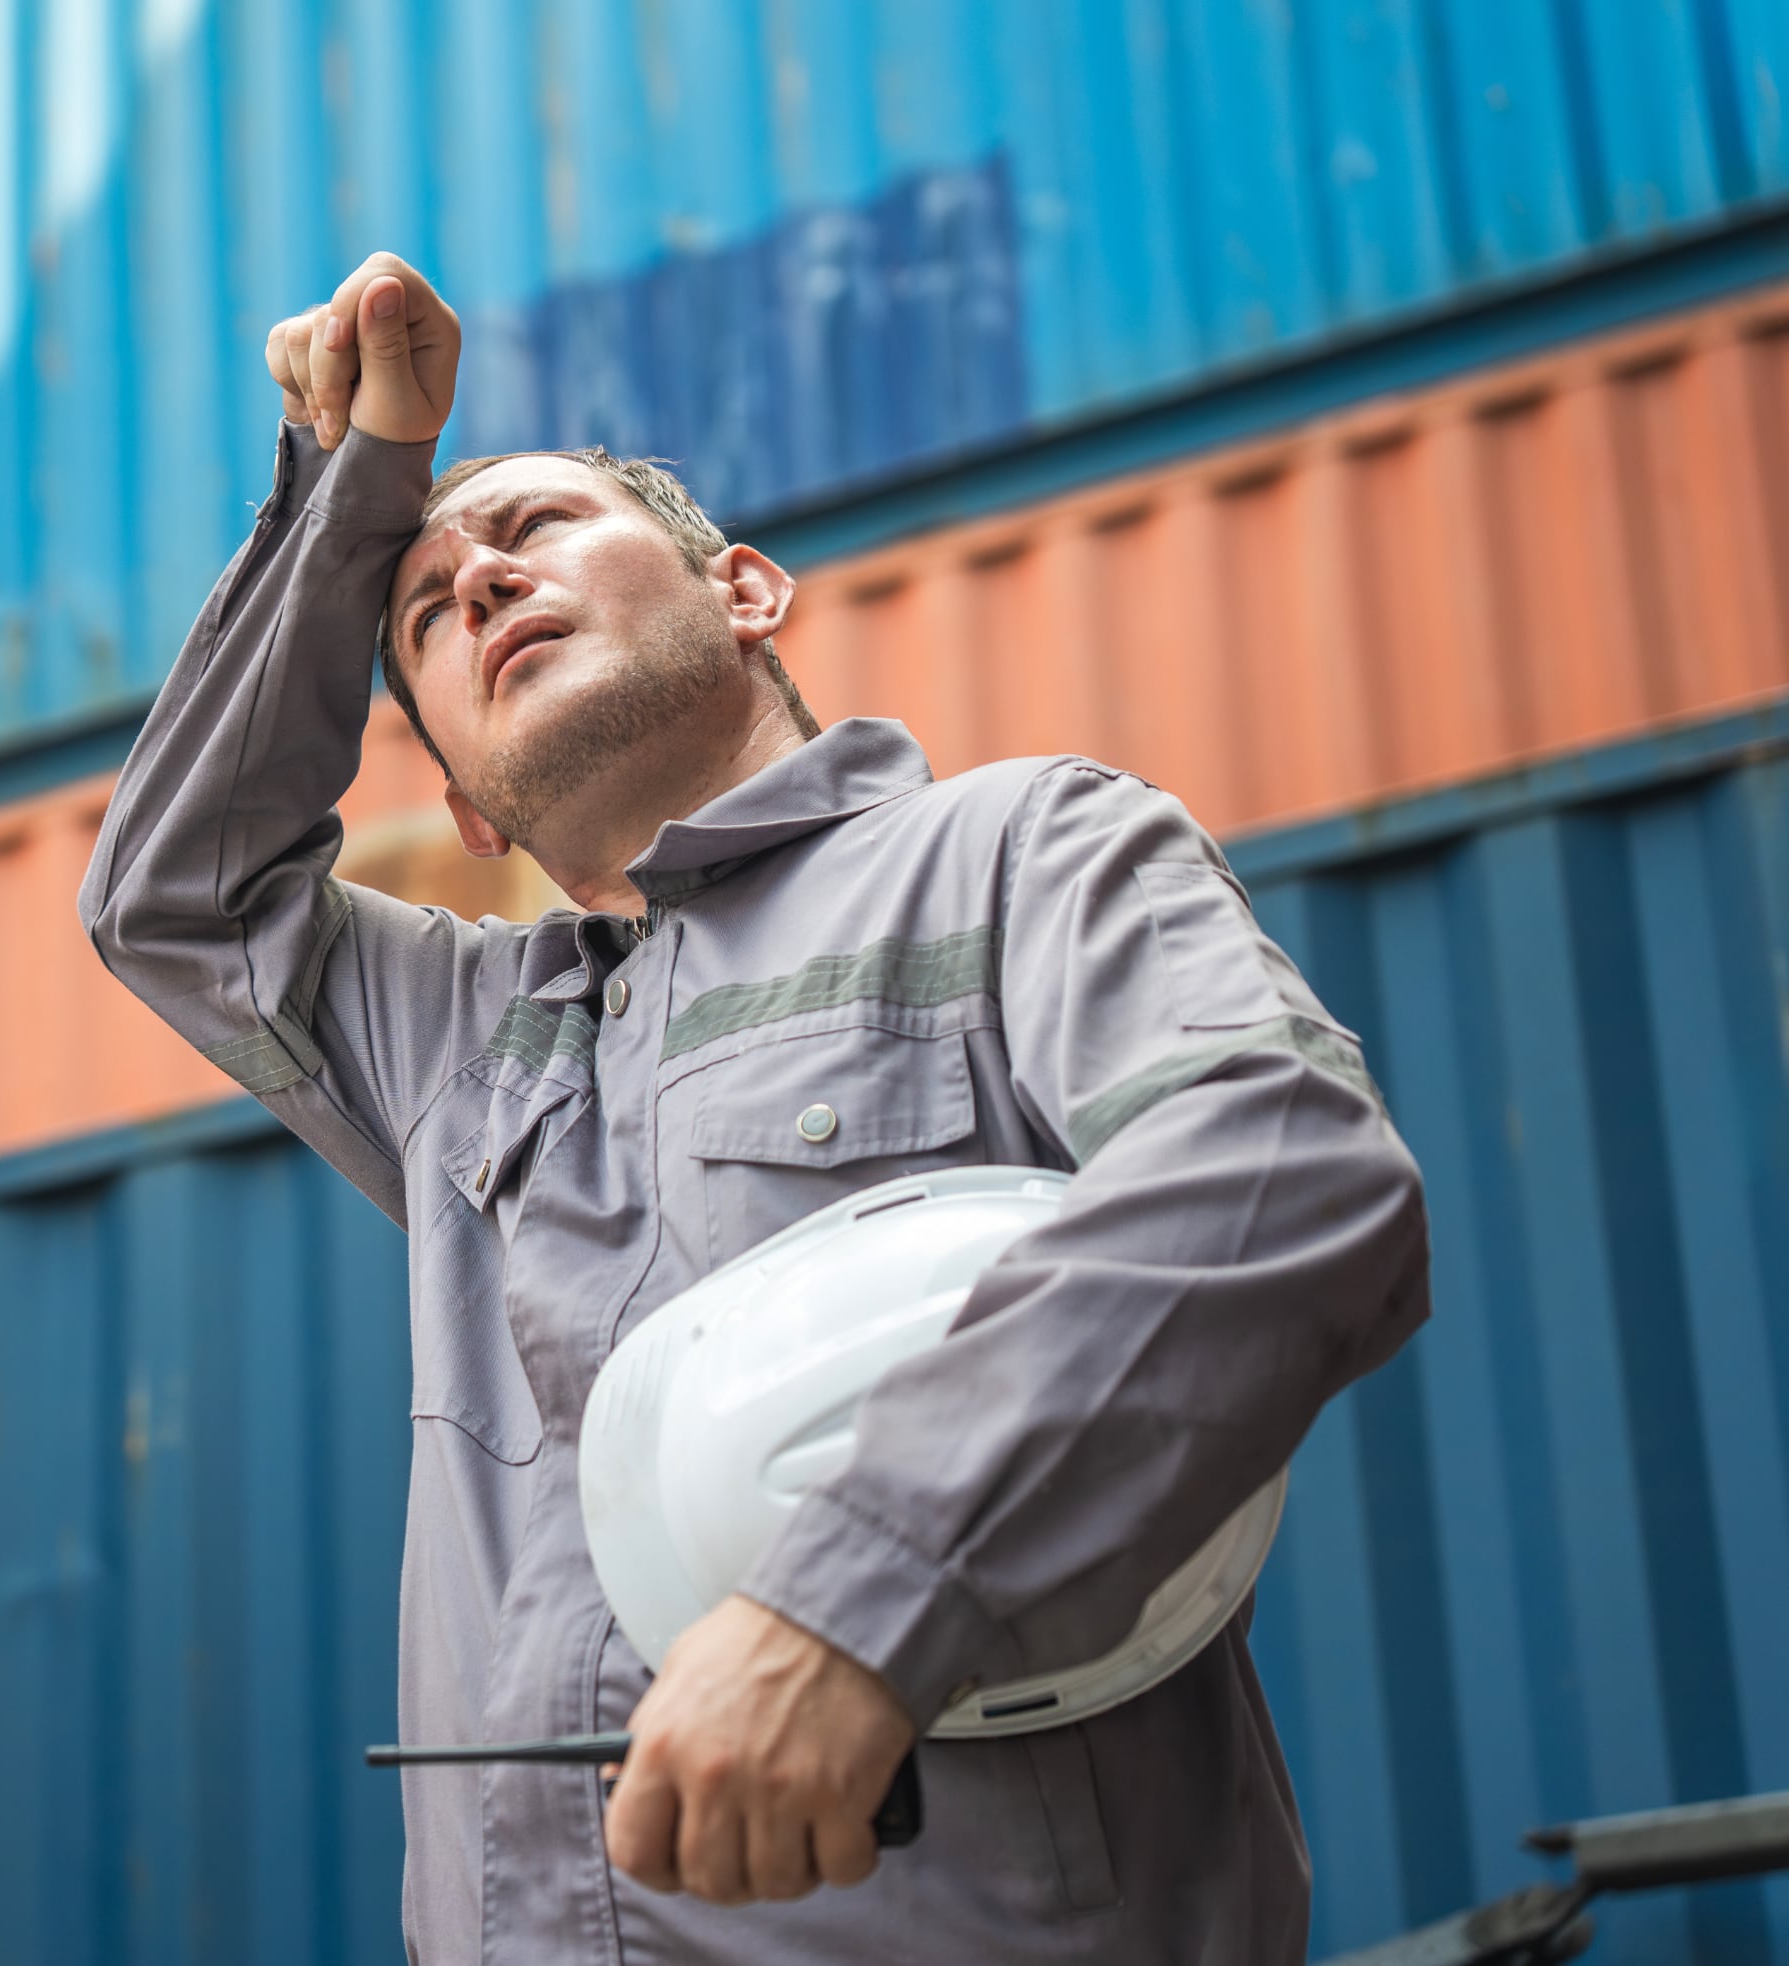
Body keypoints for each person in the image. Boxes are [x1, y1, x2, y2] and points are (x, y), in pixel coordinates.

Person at [78, 250, 1431, 1963]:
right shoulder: (460, 1038)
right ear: (471, 813)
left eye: (541, 527)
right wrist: (360, 483)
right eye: (424, 612)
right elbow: (173, 902)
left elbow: (1284, 1174)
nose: (479, 576)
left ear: (745, 589)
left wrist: (853, 1602)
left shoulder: (1020, 850)